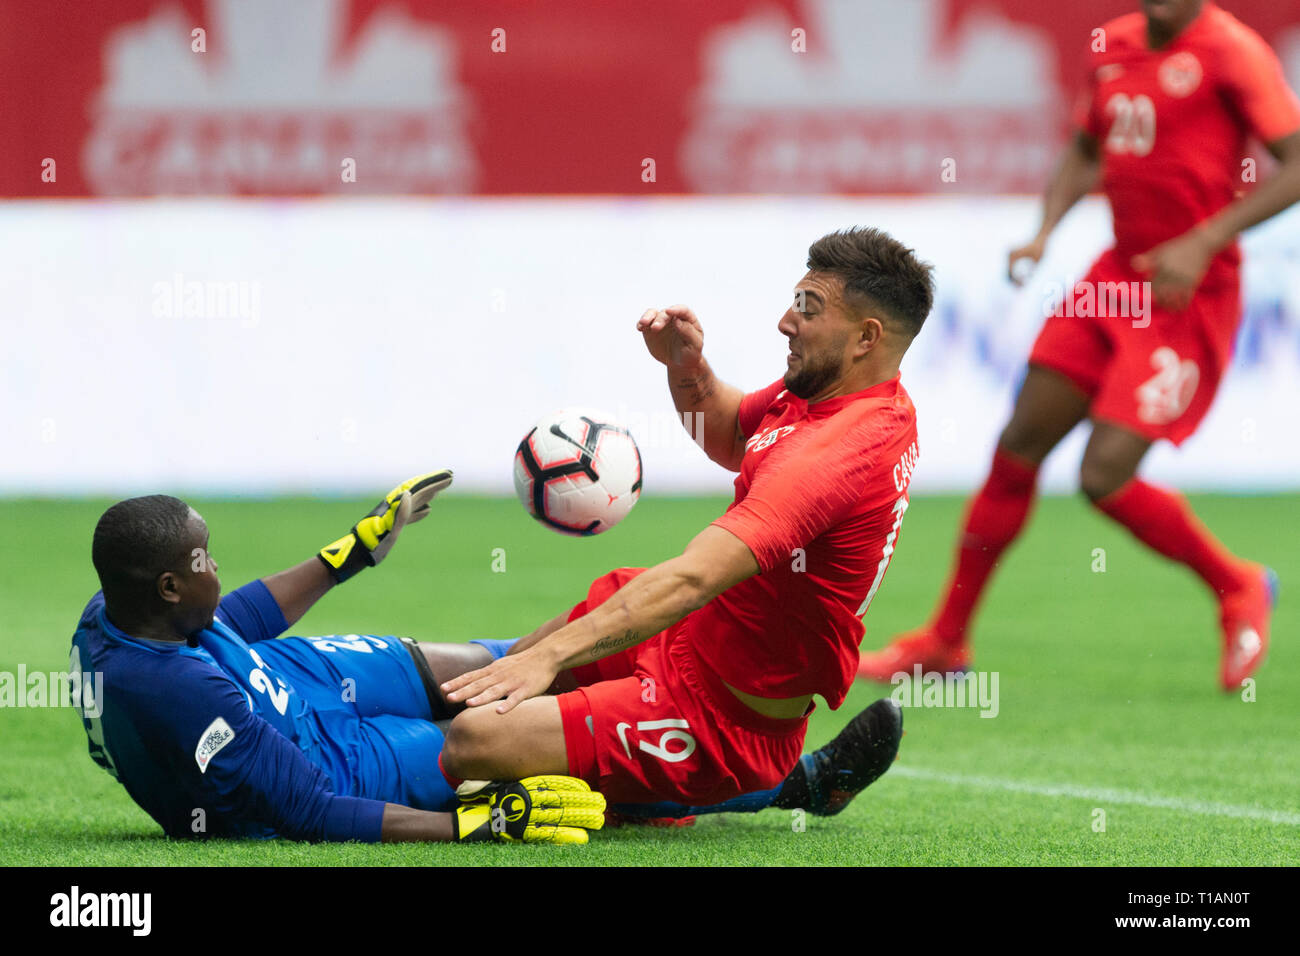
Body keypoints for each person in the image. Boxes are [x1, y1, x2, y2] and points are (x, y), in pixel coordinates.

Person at [71, 472, 901, 845]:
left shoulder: (121, 609)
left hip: (299, 678)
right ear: (175, 586)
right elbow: (304, 807)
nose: (221, 566)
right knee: (518, 753)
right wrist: (468, 825)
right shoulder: (177, 695)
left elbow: (242, 619)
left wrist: (349, 554)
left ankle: (633, 695)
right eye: (207, 560)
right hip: (332, 761)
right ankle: (788, 788)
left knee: (517, 662)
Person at [858, 0, 1299, 691]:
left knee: (1103, 477)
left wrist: (1207, 240)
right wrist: (1043, 230)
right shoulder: (1115, 45)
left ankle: (1237, 582)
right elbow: (1084, 149)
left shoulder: (1232, 52)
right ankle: (945, 642)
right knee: (1016, 448)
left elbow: (1296, 163)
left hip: (1188, 294)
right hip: (1115, 278)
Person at [438, 226, 931, 813]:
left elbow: (692, 580)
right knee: (522, 660)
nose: (784, 322)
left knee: (474, 740)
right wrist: (687, 367)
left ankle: (774, 787)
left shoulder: (835, 454)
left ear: (865, 337)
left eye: (808, 310)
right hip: (689, 643)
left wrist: (550, 659)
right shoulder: (832, 391)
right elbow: (727, 435)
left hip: (723, 719)